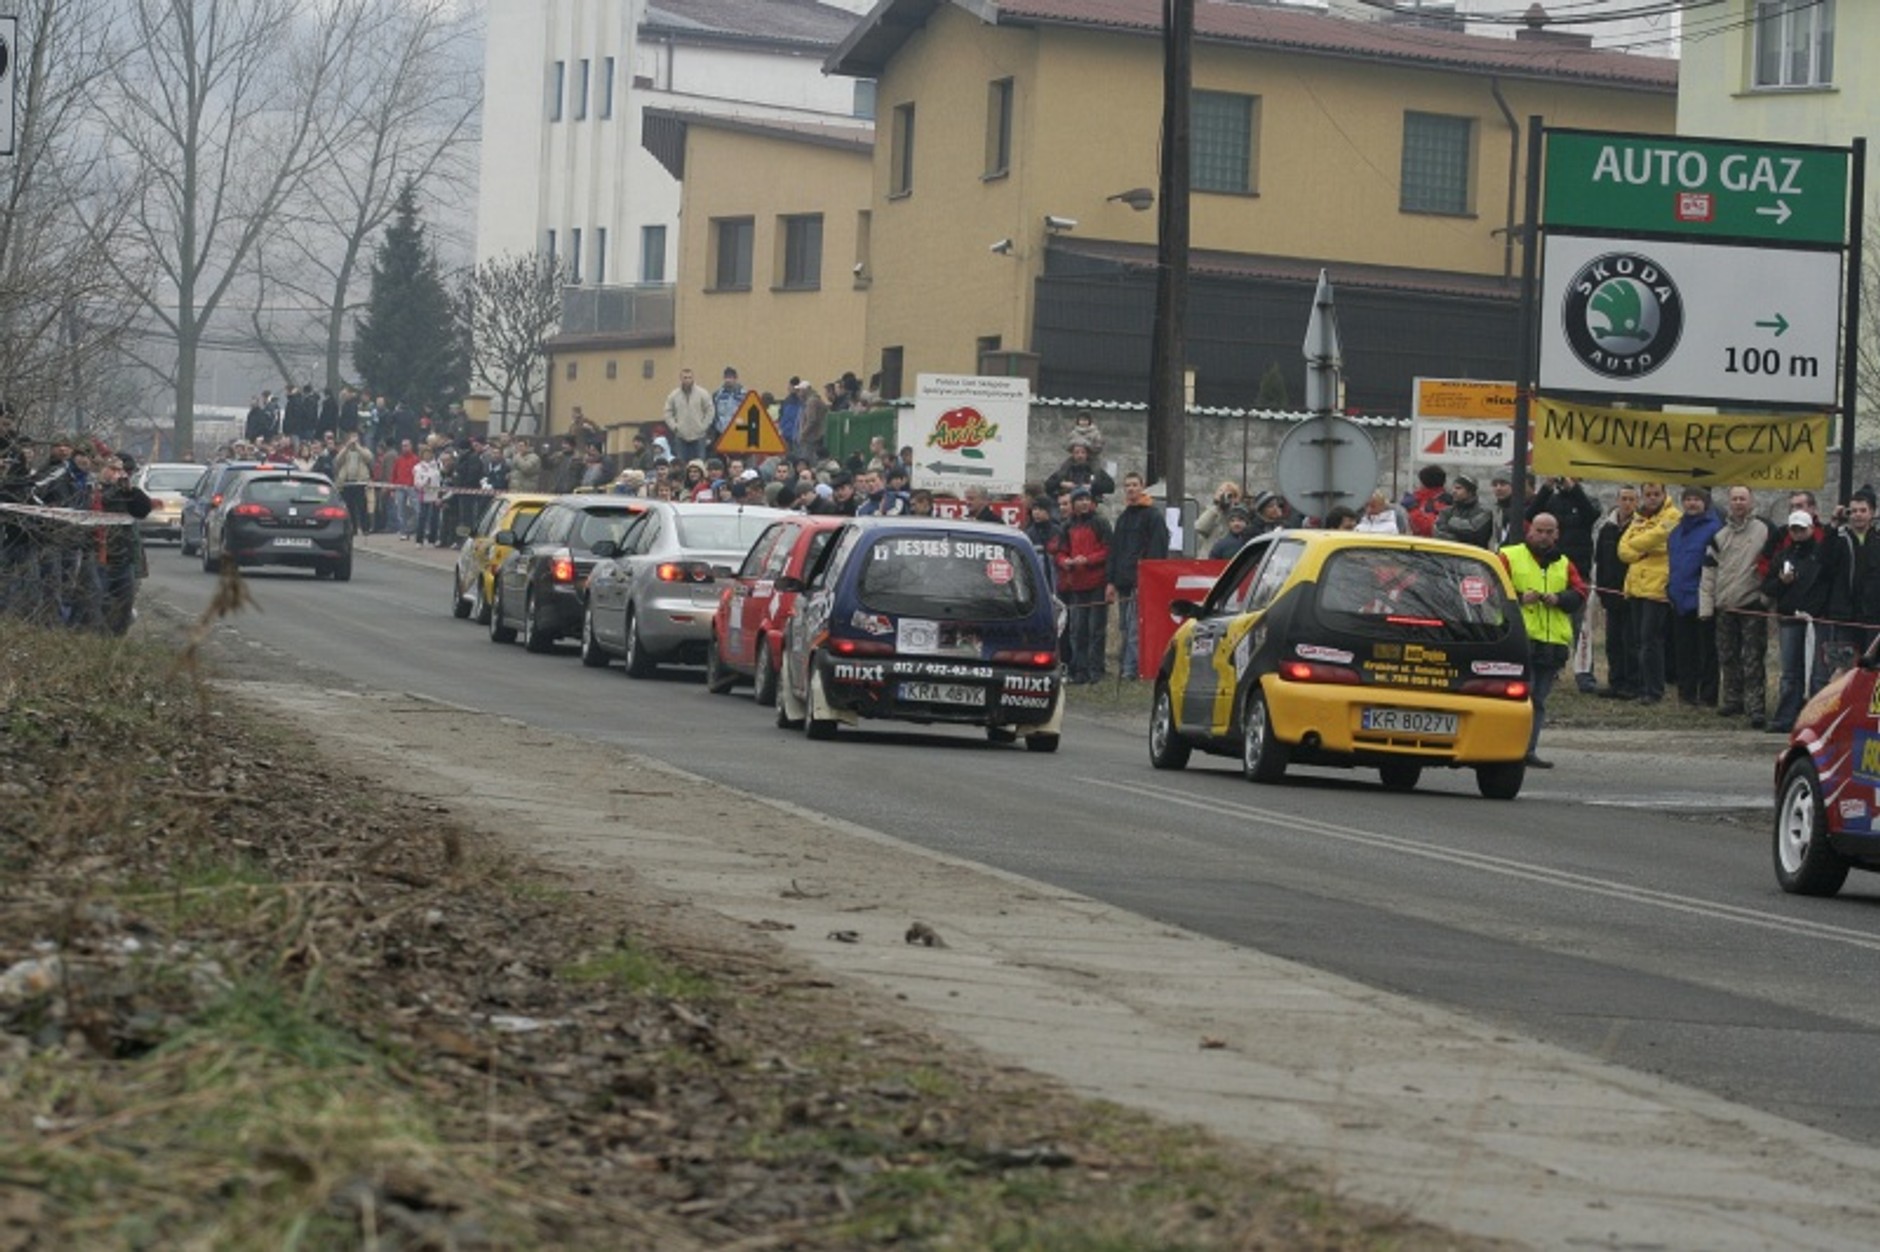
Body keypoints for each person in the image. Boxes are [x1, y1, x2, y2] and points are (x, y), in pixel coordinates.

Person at [1498, 512, 1586, 769]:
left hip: (1551, 643)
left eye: (1550, 532)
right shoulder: (1509, 556)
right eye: (1540, 531)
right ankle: (1507, 749)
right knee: (1518, 700)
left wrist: (1559, 599)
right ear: (1530, 531)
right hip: (1518, 639)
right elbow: (1493, 590)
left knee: (1538, 699)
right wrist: (1519, 597)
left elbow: (1579, 592)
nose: (1544, 536)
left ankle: (1528, 750)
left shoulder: (1564, 563)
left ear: (1557, 534)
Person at [1700, 485, 1771, 729]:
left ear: (1751, 501)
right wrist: (1706, 606)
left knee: (1752, 658)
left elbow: (1773, 564)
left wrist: (1765, 599)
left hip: (1751, 605)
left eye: (1743, 498)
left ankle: (1756, 707)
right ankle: (1732, 699)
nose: (1739, 503)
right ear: (1729, 502)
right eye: (1735, 499)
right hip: (1724, 605)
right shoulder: (1720, 535)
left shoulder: (1764, 530)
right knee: (1727, 656)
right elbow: (1709, 572)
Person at [1530, 476, 1601, 692]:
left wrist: (1574, 488)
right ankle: (1552, 669)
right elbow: (1531, 515)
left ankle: (1584, 674)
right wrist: (1547, 487)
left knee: (1581, 627)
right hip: (1550, 569)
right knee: (1549, 623)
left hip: (1577, 569)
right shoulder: (1551, 500)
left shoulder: (1587, 498)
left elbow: (1591, 515)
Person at [1764, 508, 1830, 733]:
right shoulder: (1783, 556)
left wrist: (1817, 611)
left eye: (1802, 529)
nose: (1798, 533)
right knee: (1790, 672)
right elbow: (1768, 587)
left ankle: (1815, 720)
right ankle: (1785, 718)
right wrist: (1782, 582)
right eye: (1794, 529)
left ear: (1811, 529)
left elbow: (1827, 586)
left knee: (1818, 674)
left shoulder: (1822, 554)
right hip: (1790, 619)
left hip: (1815, 620)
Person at [1617, 482, 1679, 706]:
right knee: (1637, 641)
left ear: (1664, 494)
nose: (1652, 498)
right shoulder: (1639, 516)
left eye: (1656, 494)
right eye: (1648, 495)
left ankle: (1654, 690)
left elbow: (1658, 541)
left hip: (1657, 587)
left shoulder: (1673, 516)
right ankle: (1642, 687)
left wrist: (1637, 546)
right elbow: (1622, 550)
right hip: (1635, 585)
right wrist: (1640, 550)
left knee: (1650, 641)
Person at [1107, 473, 1170, 680]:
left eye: (1134, 485)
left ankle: (1130, 670)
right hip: (1123, 581)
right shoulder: (1124, 517)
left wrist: (1148, 579)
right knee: (1124, 626)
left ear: (1143, 487)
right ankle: (1126, 666)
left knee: (1135, 628)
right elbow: (1115, 551)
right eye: (1127, 486)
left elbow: (1158, 550)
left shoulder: (1153, 516)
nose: (1131, 489)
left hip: (1141, 581)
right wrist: (1112, 581)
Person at [1666, 485, 1721, 707]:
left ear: (1705, 503)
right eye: (1688, 499)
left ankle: (1708, 696)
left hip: (1703, 599)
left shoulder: (1715, 529)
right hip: (1679, 598)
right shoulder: (1676, 531)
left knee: (1706, 651)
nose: (1691, 503)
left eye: (1696, 499)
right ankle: (1686, 693)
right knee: (1684, 651)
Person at [1056, 487, 1111, 684]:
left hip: (1097, 582)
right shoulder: (1067, 526)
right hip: (1076, 585)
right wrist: (1066, 562)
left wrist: (1087, 560)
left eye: (1087, 499)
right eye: (1080, 500)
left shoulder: (1101, 523)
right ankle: (1079, 670)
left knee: (1096, 629)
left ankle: (1095, 670)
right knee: (1078, 630)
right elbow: (1060, 552)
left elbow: (1107, 550)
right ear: (1074, 504)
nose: (1084, 503)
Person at [1591, 485, 1640, 699]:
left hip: (1632, 593)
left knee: (1631, 642)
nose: (1627, 503)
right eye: (1624, 499)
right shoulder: (1607, 528)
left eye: (1631, 499)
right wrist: (1602, 589)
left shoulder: (1640, 527)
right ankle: (1615, 681)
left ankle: (1632, 683)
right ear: (1617, 500)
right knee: (1613, 642)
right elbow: (1600, 559)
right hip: (1610, 593)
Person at [1822, 486, 1880, 665]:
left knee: (1870, 670)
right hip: (1844, 617)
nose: (1858, 515)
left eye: (1863, 510)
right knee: (1841, 668)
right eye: (1853, 511)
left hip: (1873, 618)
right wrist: (1833, 524)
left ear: (1872, 513)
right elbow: (1823, 561)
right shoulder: (1839, 538)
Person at [663, 368, 715, 463]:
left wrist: (703, 426)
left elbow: (710, 410)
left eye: (689, 377)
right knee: (681, 464)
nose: (687, 380)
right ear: (681, 379)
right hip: (681, 436)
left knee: (699, 464)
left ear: (693, 378)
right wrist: (675, 427)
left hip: (699, 436)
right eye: (685, 377)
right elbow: (667, 412)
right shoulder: (673, 395)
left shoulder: (702, 393)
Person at [1043, 442, 1115, 504]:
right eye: (1077, 452)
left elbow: (1110, 486)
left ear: (1087, 454)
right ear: (1073, 454)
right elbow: (1047, 486)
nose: (1080, 455)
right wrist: (1061, 484)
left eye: (1083, 452)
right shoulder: (1065, 470)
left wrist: (1092, 487)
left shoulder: (1095, 470)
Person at [1433, 474, 1493, 548]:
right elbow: (1439, 533)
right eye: (1453, 488)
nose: (1454, 491)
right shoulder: (1446, 511)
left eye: (1458, 488)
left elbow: (1474, 533)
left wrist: (1452, 522)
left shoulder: (1484, 512)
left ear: (1470, 492)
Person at [333, 434, 373, 535]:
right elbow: (337, 460)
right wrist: (347, 447)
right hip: (347, 483)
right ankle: (353, 528)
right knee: (349, 507)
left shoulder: (364, 450)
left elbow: (368, 458)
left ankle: (365, 528)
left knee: (362, 506)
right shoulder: (345, 452)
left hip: (359, 482)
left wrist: (358, 447)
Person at [1023, 496, 1063, 595]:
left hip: (1056, 577)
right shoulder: (1029, 534)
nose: (1036, 513)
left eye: (1040, 509)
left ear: (1048, 511)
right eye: (1034, 509)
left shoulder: (1058, 531)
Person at [1401, 464, 1448, 537]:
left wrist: (1413, 509)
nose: (1418, 485)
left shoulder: (1443, 501)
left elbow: (1431, 528)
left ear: (1424, 483)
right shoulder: (1422, 498)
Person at [1194, 481, 1243, 547]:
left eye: (1230, 495)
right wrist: (1217, 507)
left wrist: (1231, 509)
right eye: (1221, 491)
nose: (1226, 497)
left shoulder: (1238, 515)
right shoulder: (1213, 511)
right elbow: (1200, 527)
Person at [712, 366, 747, 441]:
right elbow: (714, 414)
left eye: (730, 377)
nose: (728, 380)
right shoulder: (718, 395)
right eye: (726, 377)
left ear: (735, 378)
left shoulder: (744, 395)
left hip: (739, 432)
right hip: (721, 432)